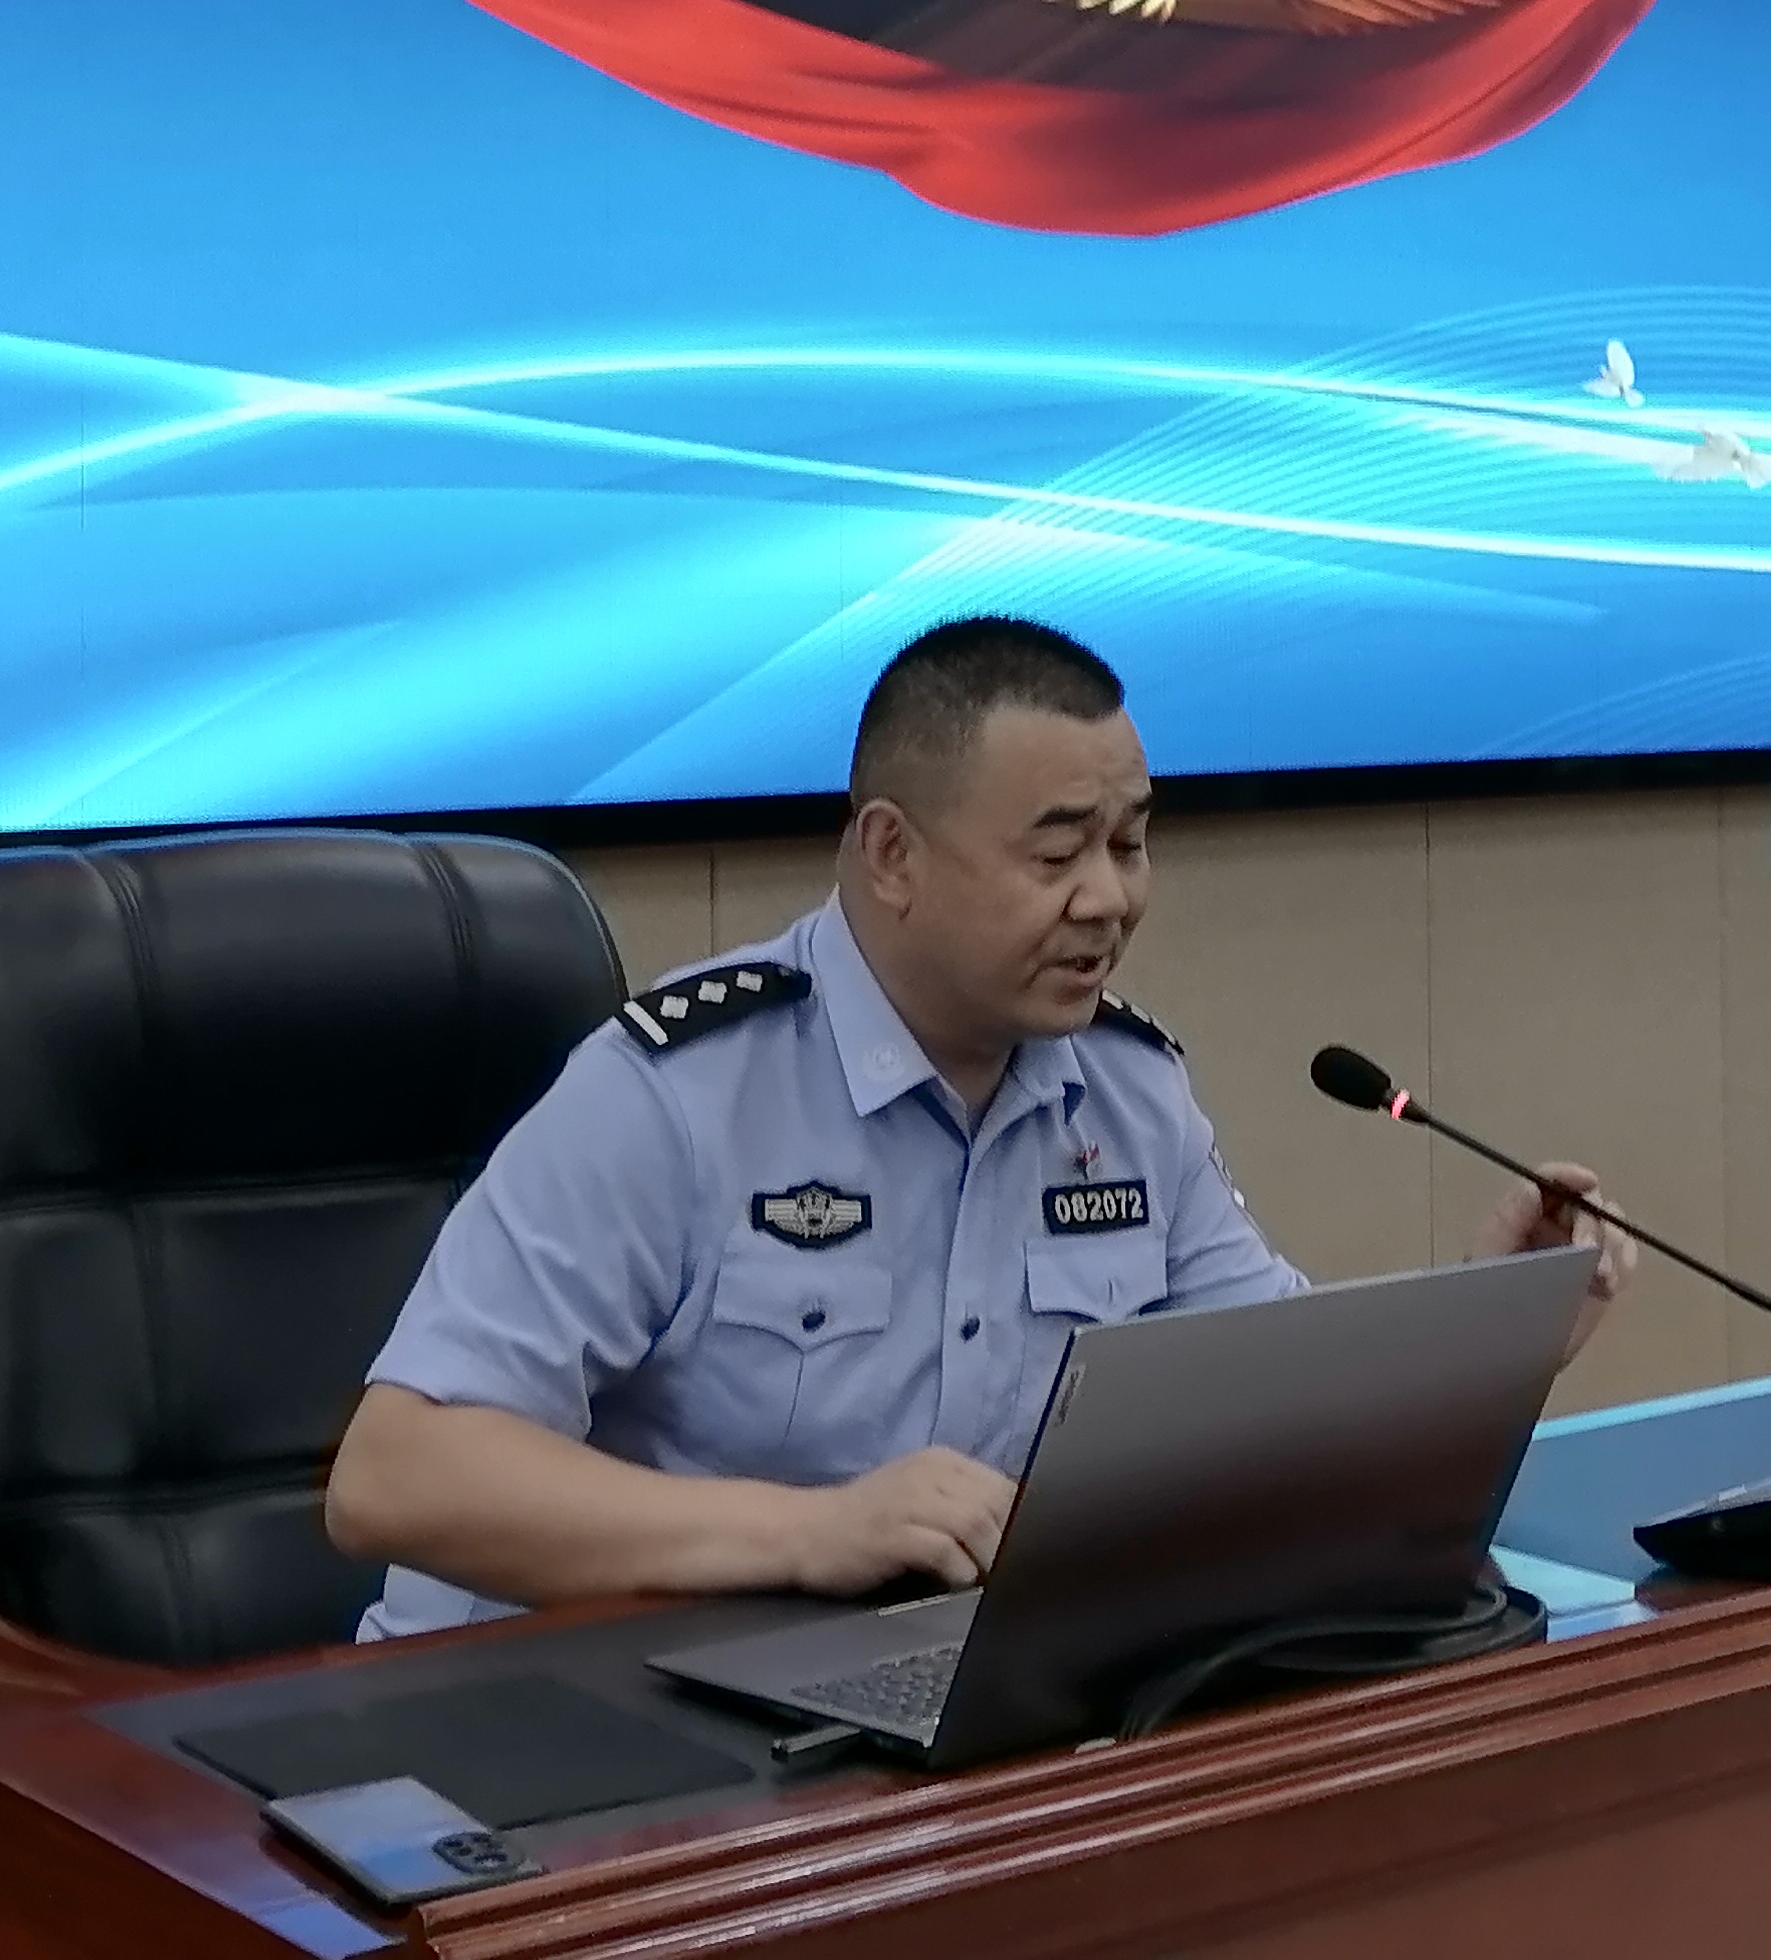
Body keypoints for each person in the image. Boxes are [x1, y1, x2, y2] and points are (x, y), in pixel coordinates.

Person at [325, 617, 1633, 1636]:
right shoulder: (676, 1093)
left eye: (1131, 844)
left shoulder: (1127, 1093)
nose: (1109, 899)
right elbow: (398, 1478)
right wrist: (813, 1532)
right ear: (891, 854)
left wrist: (1495, 1322)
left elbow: (1277, 1410)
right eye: (1057, 854)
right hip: (555, 1722)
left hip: (891, 1703)